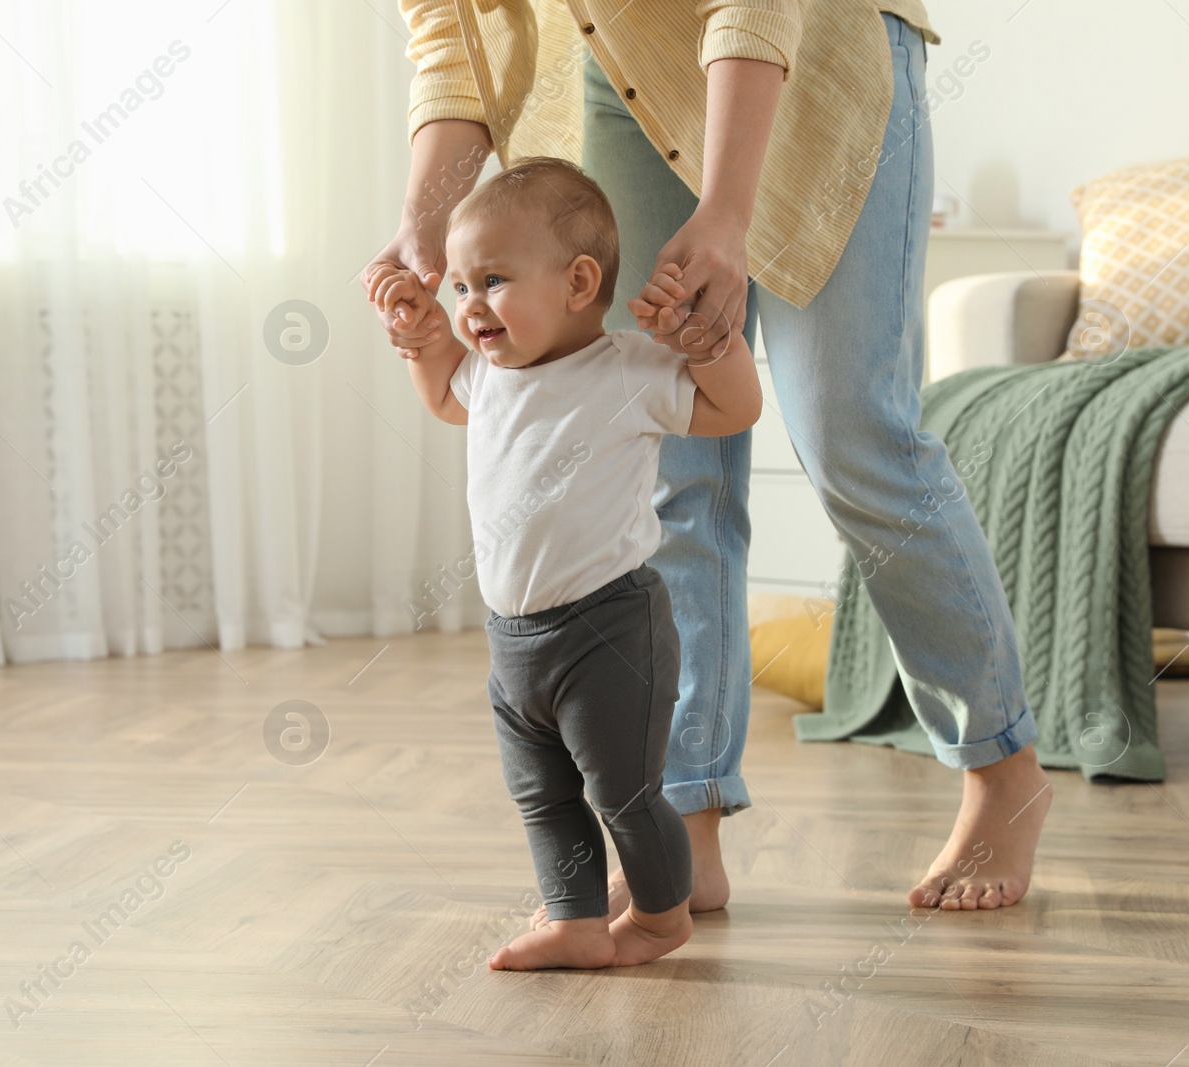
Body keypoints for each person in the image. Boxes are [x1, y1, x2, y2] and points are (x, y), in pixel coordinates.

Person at [367, 0, 1053, 914]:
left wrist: (728, 212)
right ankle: (684, 812)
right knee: (664, 465)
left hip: (814, 47)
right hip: (618, 75)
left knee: (857, 439)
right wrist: (424, 220)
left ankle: (1002, 766)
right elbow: (452, 36)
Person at [372, 156, 762, 969]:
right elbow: (444, 394)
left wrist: (709, 339)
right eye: (461, 289)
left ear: (580, 283)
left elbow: (733, 406)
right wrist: (421, 337)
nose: (471, 306)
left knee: (623, 793)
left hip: (610, 629)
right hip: (513, 640)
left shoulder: (628, 368)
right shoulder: (486, 374)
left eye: (493, 281)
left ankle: (661, 914)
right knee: (541, 794)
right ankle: (575, 918)